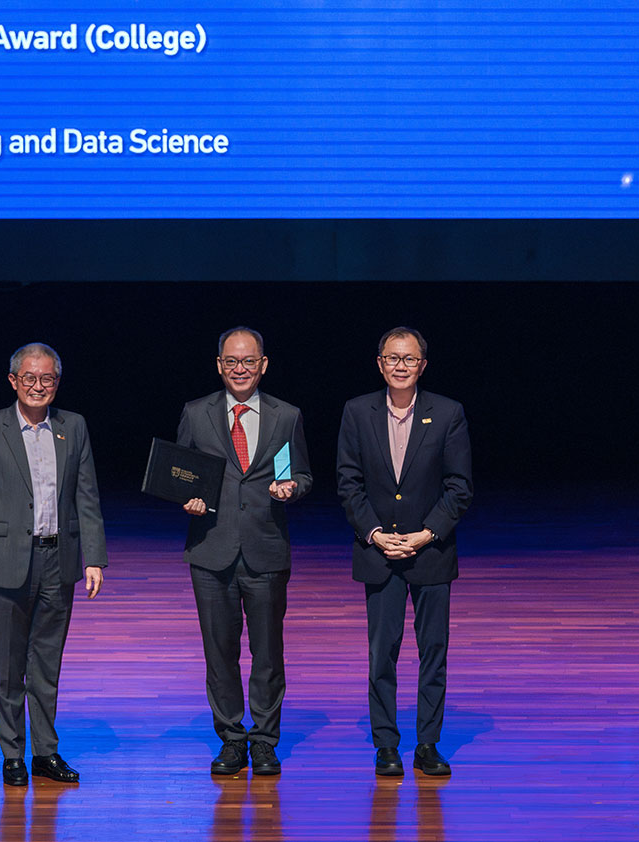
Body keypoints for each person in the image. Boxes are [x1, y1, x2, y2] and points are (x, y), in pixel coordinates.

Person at [0, 343, 108, 786]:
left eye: (47, 379)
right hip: (5, 563)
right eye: (30, 378)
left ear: (56, 383)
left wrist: (94, 558)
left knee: (47, 664)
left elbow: (87, 497)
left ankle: (46, 752)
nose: (38, 386)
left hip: (58, 561)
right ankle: (12, 755)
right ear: (14, 382)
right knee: (9, 667)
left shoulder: (73, 427)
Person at [336, 327, 472, 777]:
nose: (400, 366)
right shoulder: (357, 412)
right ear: (380, 364)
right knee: (383, 653)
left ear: (422, 366)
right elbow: (348, 484)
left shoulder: (448, 413)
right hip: (379, 553)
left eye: (409, 359)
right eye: (392, 358)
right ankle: (386, 745)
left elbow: (459, 488)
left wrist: (425, 534)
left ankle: (428, 744)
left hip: (430, 553)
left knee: (433, 651)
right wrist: (375, 534)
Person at [177, 327, 312, 776]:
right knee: (219, 652)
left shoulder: (285, 416)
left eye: (248, 362)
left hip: (265, 551)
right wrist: (188, 496)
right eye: (231, 362)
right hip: (211, 550)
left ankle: (265, 739)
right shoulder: (196, 414)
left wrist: (291, 488)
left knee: (268, 653)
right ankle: (232, 739)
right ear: (219, 365)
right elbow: (181, 474)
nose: (240, 370)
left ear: (263, 364)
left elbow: (301, 474)